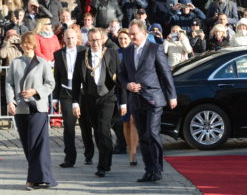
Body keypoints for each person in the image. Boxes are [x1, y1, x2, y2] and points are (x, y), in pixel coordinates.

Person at [119, 19, 177, 182]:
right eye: (129, 34)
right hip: (136, 99)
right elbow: (122, 74)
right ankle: (149, 169)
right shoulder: (129, 51)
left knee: (152, 132)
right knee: (143, 135)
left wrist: (172, 95)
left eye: (134, 34)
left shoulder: (155, 48)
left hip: (153, 98)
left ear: (144, 33)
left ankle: (158, 168)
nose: (131, 37)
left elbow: (165, 73)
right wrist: (128, 85)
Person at [6, 32, 57, 190]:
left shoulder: (42, 63)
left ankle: (31, 179)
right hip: (21, 108)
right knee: (28, 144)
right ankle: (42, 177)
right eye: (23, 43)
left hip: (37, 107)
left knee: (36, 143)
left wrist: (35, 91)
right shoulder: (15, 63)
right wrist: (10, 101)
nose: (26, 46)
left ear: (34, 44)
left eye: (28, 43)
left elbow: (50, 83)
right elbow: (9, 83)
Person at [72, 28, 125, 178]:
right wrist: (75, 102)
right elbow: (76, 80)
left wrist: (123, 103)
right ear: (88, 40)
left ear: (102, 40)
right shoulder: (82, 55)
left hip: (108, 97)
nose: (95, 43)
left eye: (97, 40)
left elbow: (120, 78)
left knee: (103, 130)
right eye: (92, 40)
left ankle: (103, 165)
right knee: (98, 132)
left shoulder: (111, 53)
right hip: (90, 98)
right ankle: (105, 160)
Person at [53, 28, 87, 168]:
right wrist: (55, 98)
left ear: (77, 37)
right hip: (66, 92)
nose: (70, 41)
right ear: (64, 40)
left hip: (83, 92)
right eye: (67, 38)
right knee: (68, 126)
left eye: (72, 38)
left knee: (86, 125)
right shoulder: (58, 54)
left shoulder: (84, 51)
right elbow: (57, 77)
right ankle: (69, 158)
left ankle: (89, 154)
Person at [117, 29, 139, 165]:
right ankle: (129, 147)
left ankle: (133, 154)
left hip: (134, 90)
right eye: (120, 39)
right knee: (125, 122)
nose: (123, 41)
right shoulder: (116, 53)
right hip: (121, 91)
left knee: (133, 121)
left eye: (125, 38)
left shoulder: (134, 51)